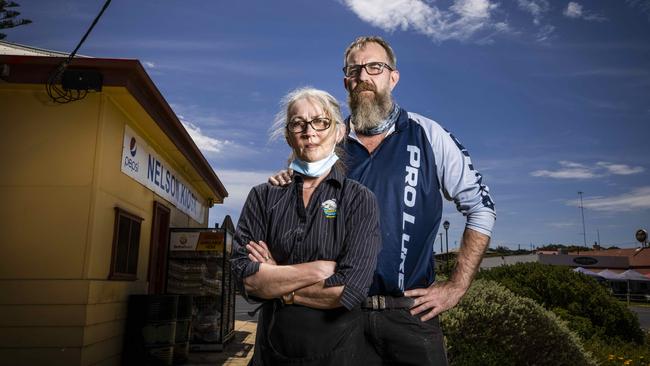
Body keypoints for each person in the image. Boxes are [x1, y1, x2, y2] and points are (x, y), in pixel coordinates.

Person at [268, 36, 496, 365]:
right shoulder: (324, 146)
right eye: (354, 70)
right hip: (337, 317)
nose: (364, 76)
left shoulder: (428, 134)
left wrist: (457, 286)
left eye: (375, 67)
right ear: (346, 81)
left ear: (393, 77)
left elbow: (480, 206)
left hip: (411, 315)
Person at [231, 87, 382, 365]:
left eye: (320, 122)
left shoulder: (359, 199)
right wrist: (317, 269)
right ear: (288, 135)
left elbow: (349, 289)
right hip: (272, 351)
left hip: (339, 352)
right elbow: (247, 279)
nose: (309, 132)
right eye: (298, 123)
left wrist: (278, 281)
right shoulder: (263, 196)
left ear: (338, 132)